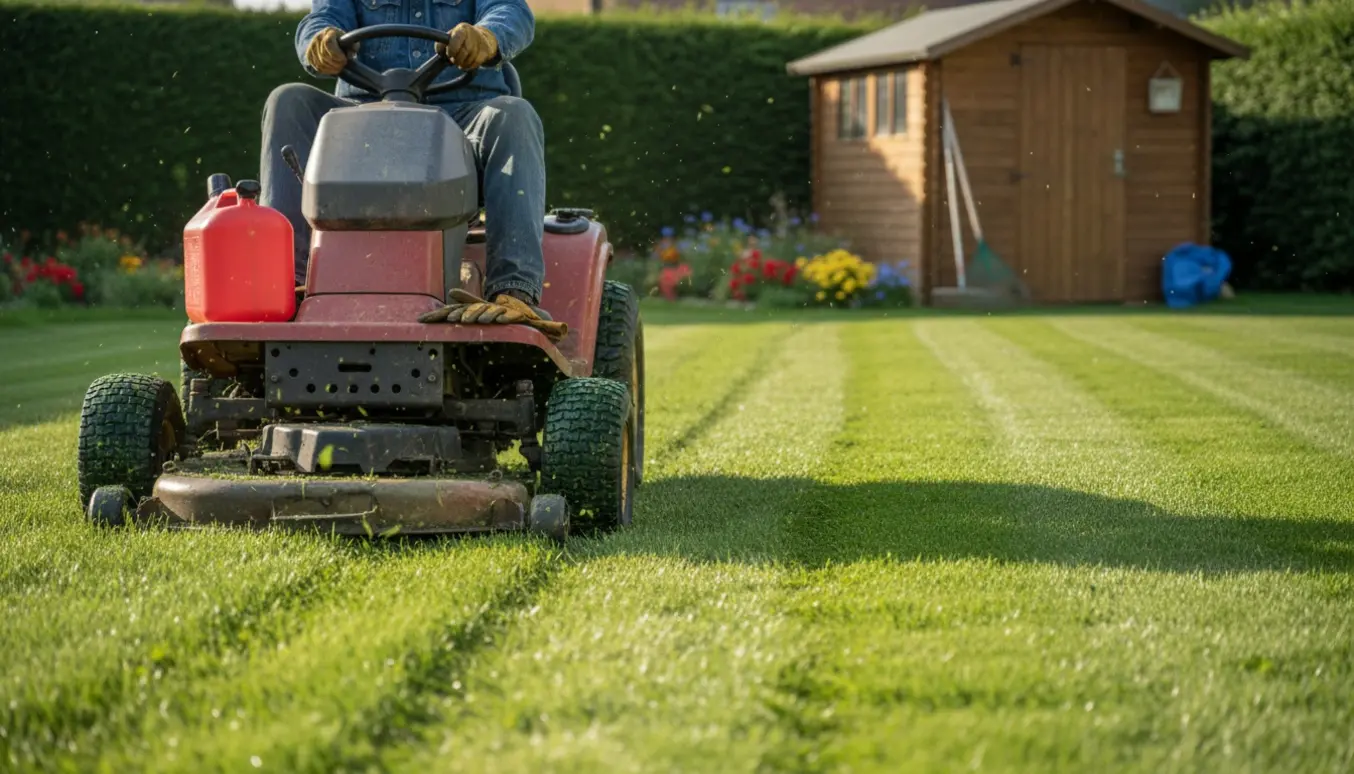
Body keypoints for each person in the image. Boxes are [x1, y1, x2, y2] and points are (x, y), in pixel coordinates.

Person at [261, 0, 564, 339]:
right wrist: (319, 39)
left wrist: (486, 38)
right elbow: (323, 17)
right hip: (362, 118)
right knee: (287, 100)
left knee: (514, 114)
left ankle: (513, 292)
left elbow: (512, 13)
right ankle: (287, 284)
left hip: (463, 118)